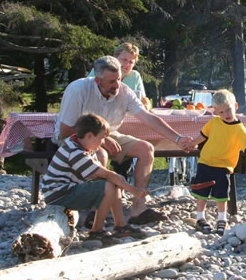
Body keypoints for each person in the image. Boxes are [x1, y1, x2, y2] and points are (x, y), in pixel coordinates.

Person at [54, 56, 193, 224]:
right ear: (98, 81)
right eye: (112, 81)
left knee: (146, 149)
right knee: (101, 155)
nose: (117, 85)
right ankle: (94, 211)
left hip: (108, 133)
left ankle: (138, 209)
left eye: (119, 79)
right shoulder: (78, 90)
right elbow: (66, 130)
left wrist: (177, 138)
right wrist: (103, 140)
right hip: (78, 136)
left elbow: (148, 118)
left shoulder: (124, 91)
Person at [42, 113, 148, 244]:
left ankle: (120, 226)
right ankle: (96, 231)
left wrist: (123, 184)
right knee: (109, 185)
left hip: (66, 190)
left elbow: (109, 176)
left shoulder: (78, 142)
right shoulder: (76, 153)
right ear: (89, 136)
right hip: (59, 194)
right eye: (102, 138)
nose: (103, 142)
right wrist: (134, 192)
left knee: (113, 183)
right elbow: (108, 175)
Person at [188, 89, 246, 235]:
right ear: (215, 112)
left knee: (221, 194)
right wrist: (192, 144)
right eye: (221, 112)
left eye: (228, 109)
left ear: (235, 106)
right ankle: (200, 218)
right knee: (201, 191)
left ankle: (221, 219)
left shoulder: (240, 129)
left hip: (224, 166)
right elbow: (202, 136)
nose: (226, 114)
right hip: (205, 162)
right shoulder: (214, 122)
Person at [89, 42, 150, 109]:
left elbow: (143, 100)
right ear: (115, 58)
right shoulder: (99, 70)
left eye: (131, 62)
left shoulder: (135, 76)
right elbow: (87, 92)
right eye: (124, 59)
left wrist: (146, 105)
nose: (127, 64)